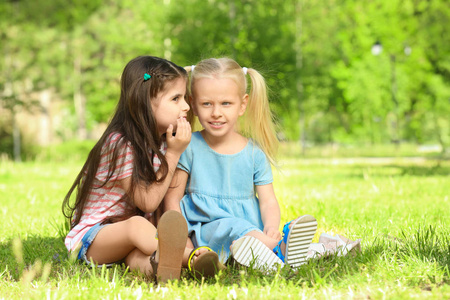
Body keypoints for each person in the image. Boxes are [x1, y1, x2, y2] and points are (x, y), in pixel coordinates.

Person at [62, 55, 221, 283]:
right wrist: (174, 154)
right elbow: (147, 202)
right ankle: (191, 257)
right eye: (175, 99)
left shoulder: (165, 141)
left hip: (134, 240)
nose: (186, 106)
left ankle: (169, 269)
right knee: (137, 226)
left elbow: (162, 204)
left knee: (140, 258)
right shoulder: (121, 143)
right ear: (145, 101)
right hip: (94, 239)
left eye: (184, 97)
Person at [164, 58, 317, 271]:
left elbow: (268, 201)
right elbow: (173, 199)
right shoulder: (189, 147)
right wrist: (183, 243)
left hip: (249, 232)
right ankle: (281, 249)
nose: (216, 112)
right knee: (232, 225)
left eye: (226, 103)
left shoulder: (254, 153)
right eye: (206, 104)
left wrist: (271, 226)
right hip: (207, 231)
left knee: (244, 234)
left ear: (242, 104)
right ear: (194, 104)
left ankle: (269, 253)